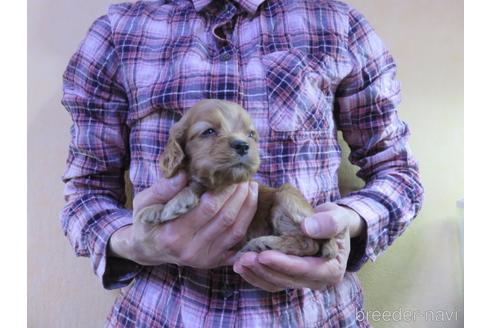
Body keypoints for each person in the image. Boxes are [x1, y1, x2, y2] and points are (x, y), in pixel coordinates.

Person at [60, 0, 423, 326]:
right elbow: (85, 191)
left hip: (315, 314)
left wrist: (347, 224)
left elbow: (398, 172)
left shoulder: (338, 24)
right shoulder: (119, 31)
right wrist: (133, 243)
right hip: (162, 314)